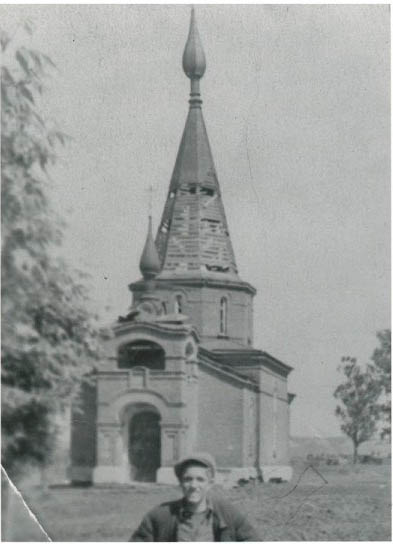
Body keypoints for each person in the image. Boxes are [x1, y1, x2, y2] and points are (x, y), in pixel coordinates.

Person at [130, 452, 259, 541]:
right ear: (180, 482)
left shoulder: (227, 513)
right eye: (188, 479)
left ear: (210, 484)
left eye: (200, 479)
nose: (193, 485)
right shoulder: (159, 516)